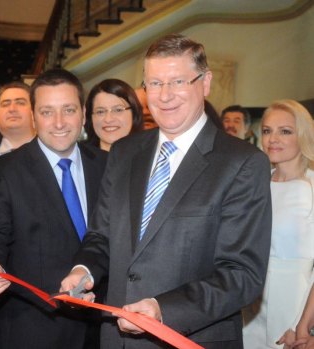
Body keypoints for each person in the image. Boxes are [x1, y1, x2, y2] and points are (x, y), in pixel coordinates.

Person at [61, 34, 272, 348]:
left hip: (189, 338)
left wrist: (162, 309)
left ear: (206, 82)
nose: (165, 95)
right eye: (155, 84)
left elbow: (241, 274)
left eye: (177, 81)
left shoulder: (242, 163)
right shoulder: (123, 152)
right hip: (117, 339)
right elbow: (101, 235)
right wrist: (84, 269)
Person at [0, 68, 108, 349]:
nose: (59, 122)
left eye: (68, 110)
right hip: (36, 331)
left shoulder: (107, 165)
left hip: (102, 329)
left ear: (83, 112)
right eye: (47, 112)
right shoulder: (4, 171)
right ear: (33, 116)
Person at [242, 99, 314, 348]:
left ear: (303, 135)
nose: (273, 138)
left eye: (285, 131)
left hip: (296, 302)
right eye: (267, 130)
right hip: (251, 301)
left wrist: (303, 324)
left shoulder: (311, 186)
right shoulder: (257, 184)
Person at [84, 78, 144, 152]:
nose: (108, 119)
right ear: (90, 117)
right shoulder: (80, 160)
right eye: (100, 112)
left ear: (134, 113)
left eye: (118, 110)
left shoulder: (151, 158)